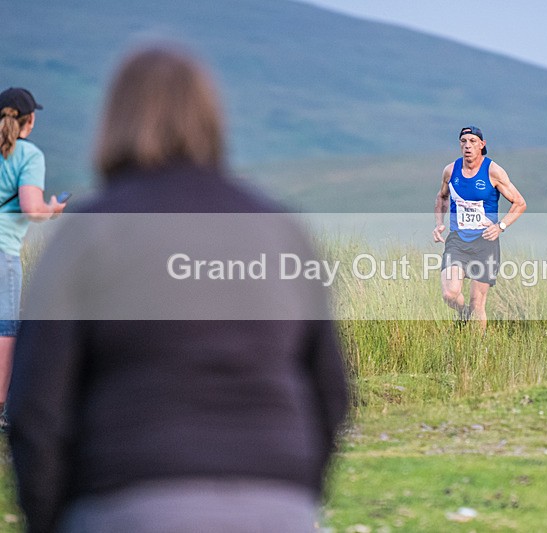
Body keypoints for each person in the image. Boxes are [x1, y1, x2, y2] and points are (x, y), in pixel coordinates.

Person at [7, 46, 349, 533]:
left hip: (129, 496)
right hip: (278, 500)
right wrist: (293, 495)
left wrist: (49, 517)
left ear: (114, 121)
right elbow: (331, 393)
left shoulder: (88, 233)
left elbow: (35, 406)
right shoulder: (280, 227)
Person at [0, 87, 66, 431]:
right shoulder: (29, 156)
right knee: (6, 332)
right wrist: (51, 209)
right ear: (31, 121)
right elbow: (30, 207)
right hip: (3, 251)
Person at [433, 126, 526, 331]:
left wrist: (500, 226)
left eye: (473, 141)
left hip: (485, 242)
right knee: (449, 293)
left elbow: (519, 203)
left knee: (478, 303)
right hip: (457, 240)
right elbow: (442, 197)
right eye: (464, 141)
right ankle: (463, 313)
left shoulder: (493, 171)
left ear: (482, 145)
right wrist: (439, 223)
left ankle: (479, 352)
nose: (467, 146)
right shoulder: (451, 170)